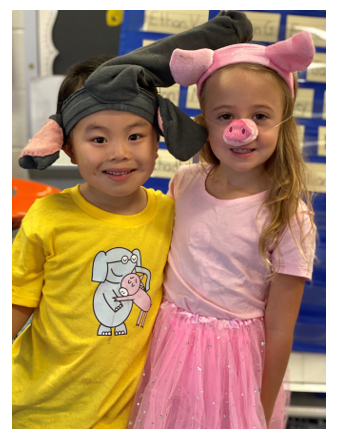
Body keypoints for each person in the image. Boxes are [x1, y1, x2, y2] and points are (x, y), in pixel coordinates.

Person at [11, 11, 252, 428]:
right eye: (98, 138)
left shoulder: (170, 212)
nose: (119, 152)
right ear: (67, 147)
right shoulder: (47, 216)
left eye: (135, 136)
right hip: (37, 409)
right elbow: (18, 305)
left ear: (159, 138)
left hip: (126, 414)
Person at [128, 29, 318, 429]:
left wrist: (260, 412)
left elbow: (281, 327)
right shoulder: (184, 181)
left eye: (260, 116)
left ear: (282, 123)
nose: (241, 129)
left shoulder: (288, 215)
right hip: (164, 339)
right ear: (205, 124)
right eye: (226, 115)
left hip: (231, 361)